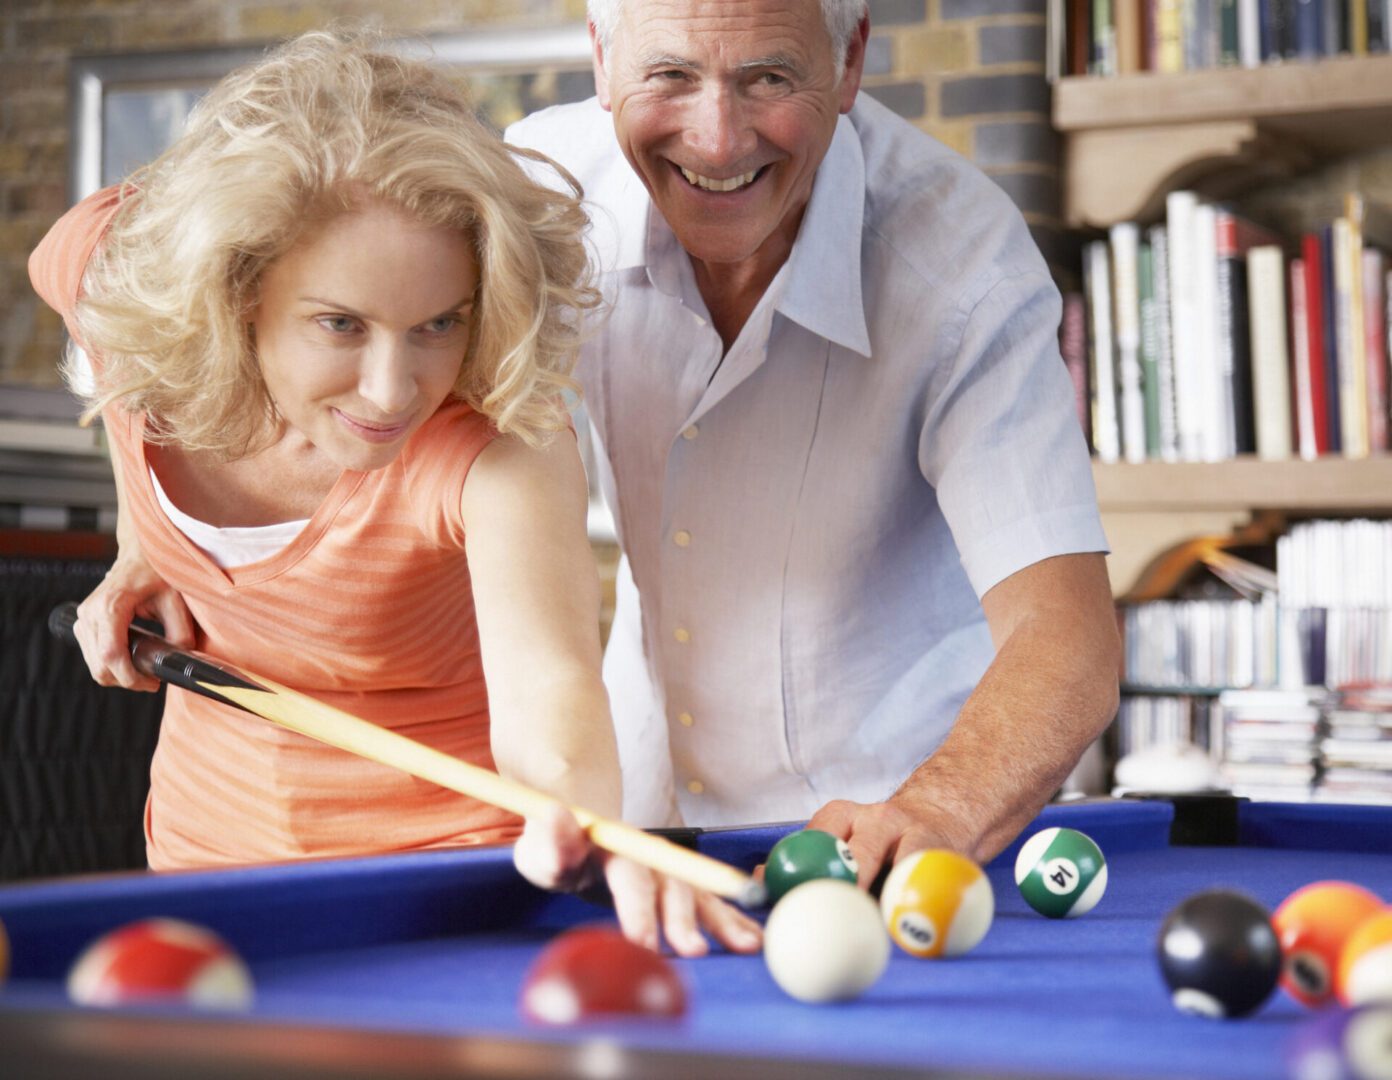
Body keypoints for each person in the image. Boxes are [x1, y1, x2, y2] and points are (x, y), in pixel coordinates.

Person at [29, 30, 759, 957]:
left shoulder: (499, 448)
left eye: (437, 325)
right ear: (234, 290)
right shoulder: (132, 304)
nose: (391, 390)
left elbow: (551, 701)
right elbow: (70, 277)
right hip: (202, 868)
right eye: (341, 324)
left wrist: (592, 827)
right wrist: (143, 541)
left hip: (446, 900)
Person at [506, 0, 1122, 883]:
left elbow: (1069, 638)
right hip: (646, 832)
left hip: (898, 834)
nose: (717, 142)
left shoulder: (966, 266)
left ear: (850, 60)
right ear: (602, 61)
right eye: (670, 75)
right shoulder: (537, 204)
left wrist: (939, 808)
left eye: (768, 77)